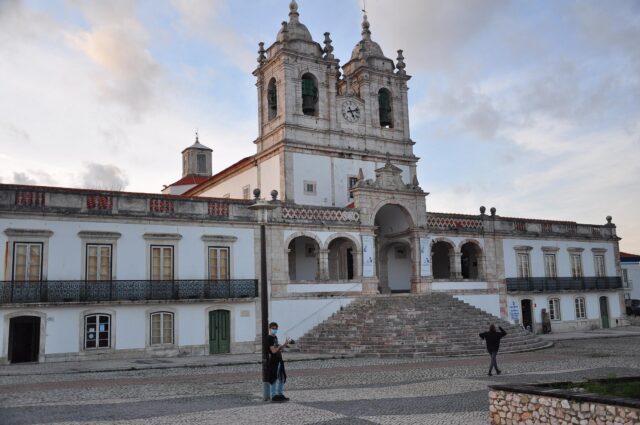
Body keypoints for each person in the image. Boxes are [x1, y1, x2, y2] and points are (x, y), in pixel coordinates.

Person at [266, 322, 290, 402]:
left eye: (276, 328)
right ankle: (273, 395)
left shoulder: (275, 337)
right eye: (273, 328)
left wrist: (284, 344)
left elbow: (278, 348)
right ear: (270, 329)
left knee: (281, 377)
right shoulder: (269, 338)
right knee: (274, 378)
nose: (274, 330)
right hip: (274, 361)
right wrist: (279, 346)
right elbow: (273, 351)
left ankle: (280, 394)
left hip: (279, 359)